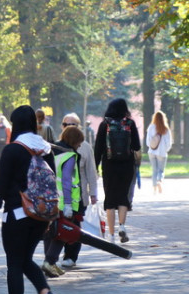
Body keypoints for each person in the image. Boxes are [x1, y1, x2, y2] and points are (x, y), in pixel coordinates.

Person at [0, 105, 61, 294]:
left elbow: (0, 184)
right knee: (25, 259)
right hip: (40, 215)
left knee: (14, 264)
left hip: (17, 214)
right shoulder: (46, 150)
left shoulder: (13, 149)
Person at [94, 98, 140, 243]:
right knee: (123, 197)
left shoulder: (104, 124)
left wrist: (95, 167)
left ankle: (112, 236)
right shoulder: (130, 124)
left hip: (109, 165)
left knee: (110, 199)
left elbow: (98, 148)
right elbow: (137, 146)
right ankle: (122, 226)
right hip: (127, 165)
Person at [42, 125, 86, 278]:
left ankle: (49, 263)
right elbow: (67, 181)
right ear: (73, 141)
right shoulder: (69, 156)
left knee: (50, 232)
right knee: (62, 234)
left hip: (49, 199)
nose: (80, 145)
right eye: (79, 142)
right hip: (64, 202)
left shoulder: (51, 151)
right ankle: (50, 261)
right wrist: (68, 204)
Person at [58, 113, 99, 268]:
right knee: (58, 226)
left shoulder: (85, 147)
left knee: (74, 226)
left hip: (78, 196)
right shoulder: (56, 146)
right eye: (65, 124)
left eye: (73, 125)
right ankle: (54, 255)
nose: (69, 127)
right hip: (58, 197)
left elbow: (91, 172)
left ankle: (71, 256)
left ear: (79, 127)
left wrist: (93, 193)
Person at [146, 111, 173, 194]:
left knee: (154, 170)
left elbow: (148, 141)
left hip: (151, 152)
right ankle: (159, 181)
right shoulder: (165, 128)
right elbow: (169, 142)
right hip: (162, 152)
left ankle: (154, 188)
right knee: (161, 170)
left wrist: (151, 147)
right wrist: (166, 150)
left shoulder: (151, 127)